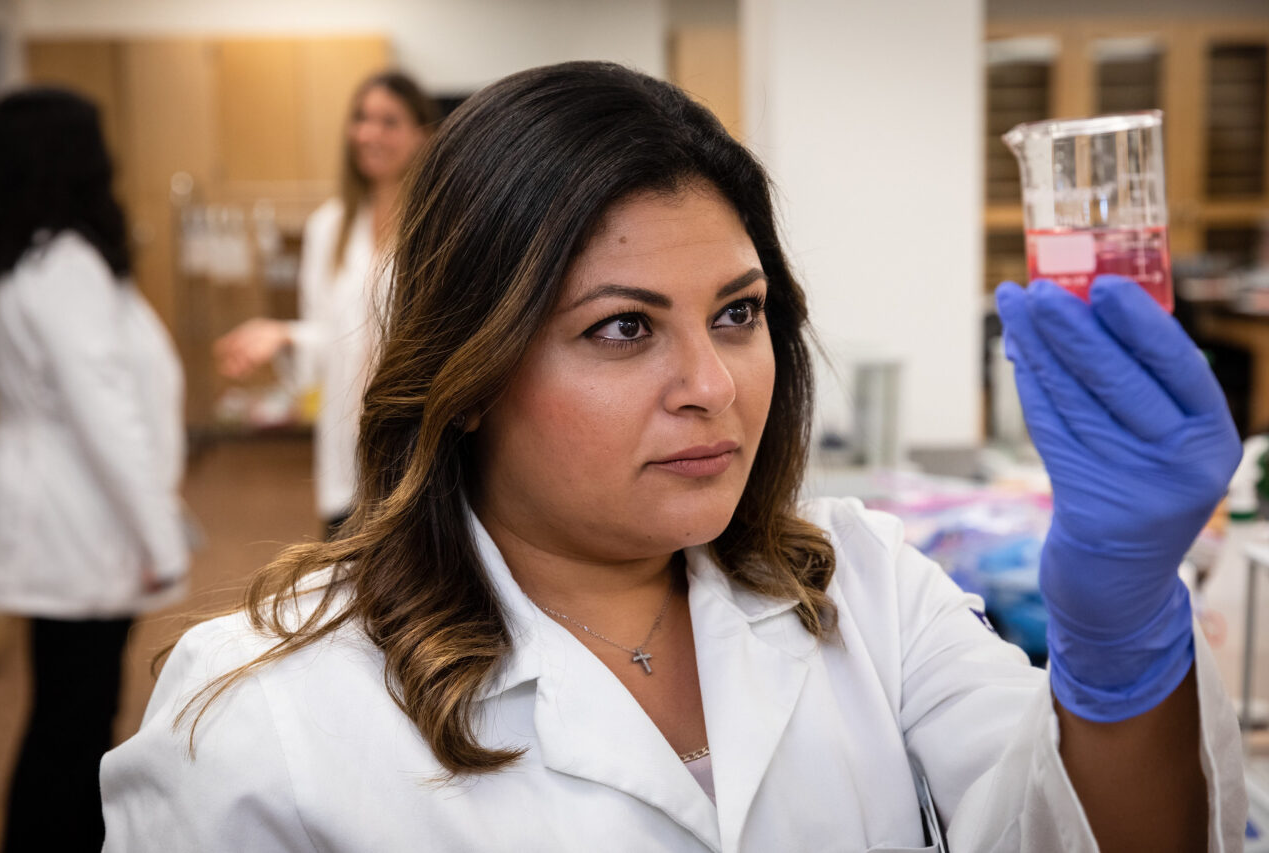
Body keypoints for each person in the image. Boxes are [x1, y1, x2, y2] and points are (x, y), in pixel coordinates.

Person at [101, 62, 1246, 851]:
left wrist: (1120, 634)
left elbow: (1075, 833)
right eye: (622, 327)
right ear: (468, 372)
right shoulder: (266, 712)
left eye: (737, 313)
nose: (711, 385)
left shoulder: (862, 592)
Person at [0, 88, 189, 851]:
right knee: (76, 716)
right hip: (82, 515)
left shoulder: (25, 254)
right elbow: (106, 416)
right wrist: (160, 540)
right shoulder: (63, 263)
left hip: (57, 509)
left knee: (65, 706)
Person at [213, 70, 441, 535]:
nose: (368, 133)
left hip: (418, 445)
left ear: (423, 134)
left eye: (388, 121)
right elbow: (325, 338)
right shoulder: (328, 227)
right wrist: (282, 335)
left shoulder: (438, 226)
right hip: (345, 447)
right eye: (361, 119)